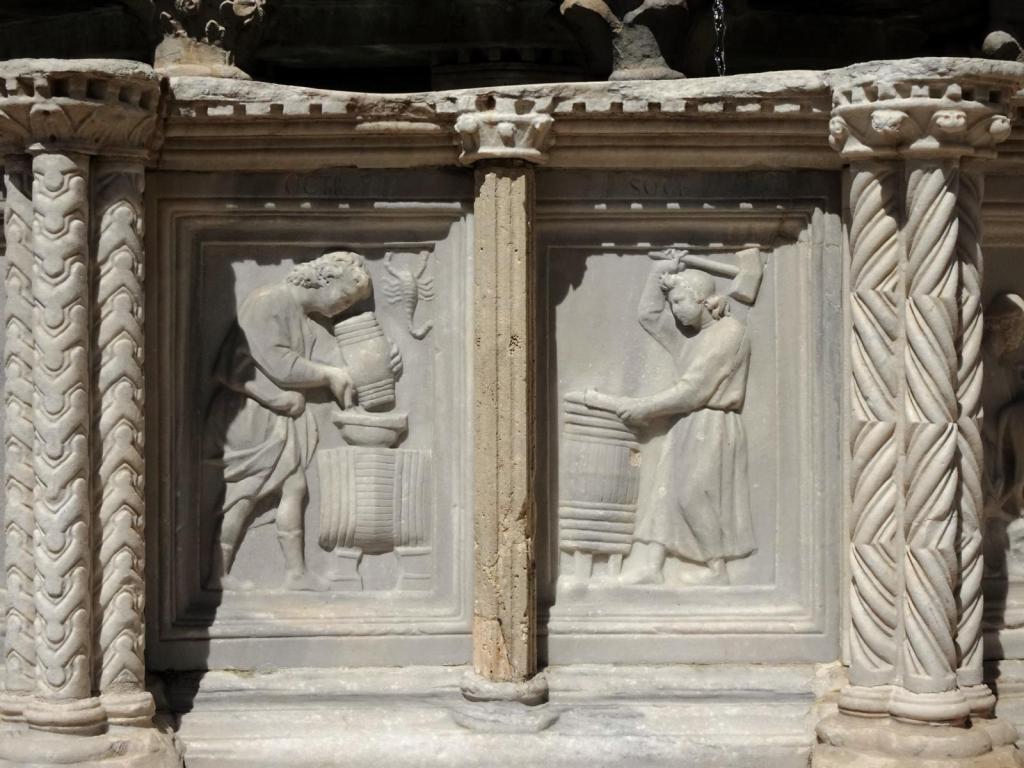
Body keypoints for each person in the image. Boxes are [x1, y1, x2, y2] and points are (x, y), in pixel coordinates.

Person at [205, 250, 398, 591]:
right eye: (343, 297)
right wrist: (328, 375)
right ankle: (216, 575)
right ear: (324, 279)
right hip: (248, 415)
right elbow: (279, 363)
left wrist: (379, 363)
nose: (342, 307)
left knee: (294, 488)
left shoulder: (302, 317)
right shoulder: (270, 302)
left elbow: (337, 362)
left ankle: (296, 574)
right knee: (242, 494)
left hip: (275, 418)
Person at [598, 252, 754, 585]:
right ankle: (652, 566)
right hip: (687, 424)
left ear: (702, 298)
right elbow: (650, 315)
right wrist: (662, 270)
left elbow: (692, 390)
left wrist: (644, 407)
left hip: (712, 423)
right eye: (673, 304)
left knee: (693, 494)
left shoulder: (729, 332)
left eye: (681, 302)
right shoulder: (690, 338)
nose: (675, 310)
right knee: (665, 493)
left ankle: (717, 571)